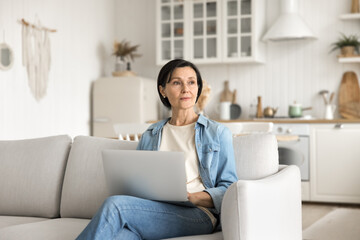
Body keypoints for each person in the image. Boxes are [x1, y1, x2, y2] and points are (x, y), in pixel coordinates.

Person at [76, 59, 238, 240]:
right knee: (121, 236)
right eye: (177, 82)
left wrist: (194, 196)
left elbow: (230, 189)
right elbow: (138, 181)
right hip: (154, 208)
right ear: (163, 90)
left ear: (198, 88)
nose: (186, 89)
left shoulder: (217, 133)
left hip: (199, 213)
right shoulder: (151, 134)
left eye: (191, 82)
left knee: (115, 206)